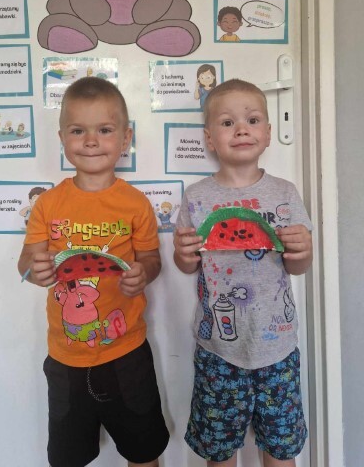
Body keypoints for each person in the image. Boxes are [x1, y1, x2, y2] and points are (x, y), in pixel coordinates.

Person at [18, 77, 169, 467]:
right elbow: (26, 262)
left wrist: (144, 272)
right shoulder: (48, 204)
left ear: (125, 138)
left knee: (144, 452)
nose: (90, 141)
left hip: (127, 354)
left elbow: (152, 259)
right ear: (62, 138)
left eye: (104, 130)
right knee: (68, 458)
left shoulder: (136, 204)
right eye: (77, 131)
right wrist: (35, 270)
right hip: (65, 358)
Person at [173, 78, 312, 467]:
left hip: (278, 347)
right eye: (227, 122)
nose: (241, 130)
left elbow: (298, 266)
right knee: (219, 452)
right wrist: (182, 254)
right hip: (218, 349)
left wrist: (304, 250)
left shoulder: (285, 193)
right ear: (209, 138)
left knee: (281, 449)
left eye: (252, 120)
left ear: (267, 133)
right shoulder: (197, 197)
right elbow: (187, 266)